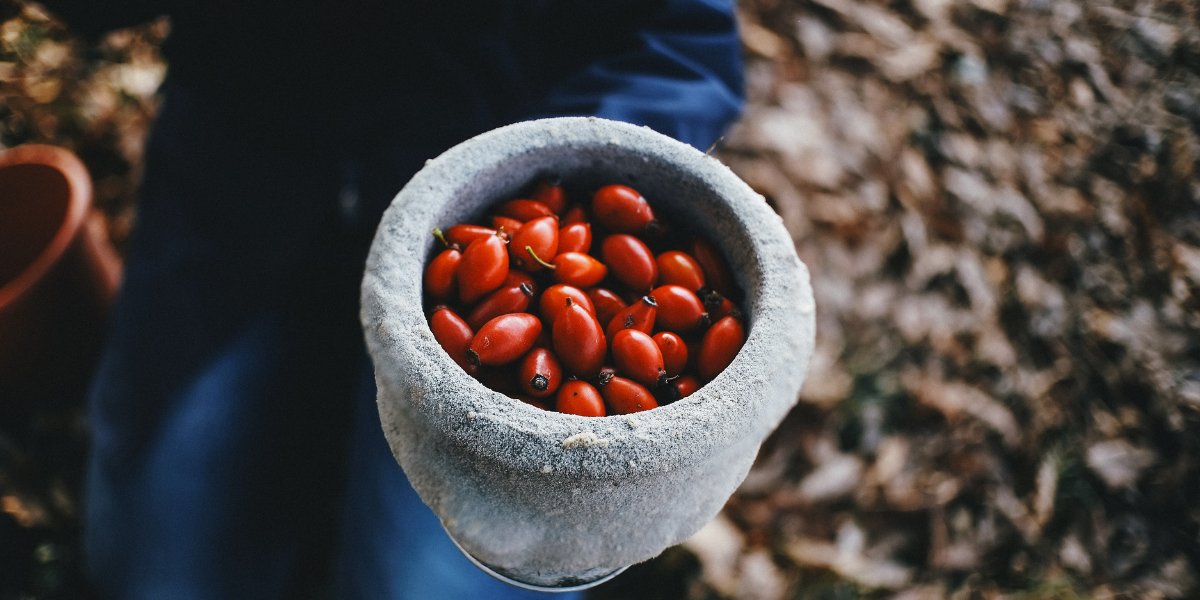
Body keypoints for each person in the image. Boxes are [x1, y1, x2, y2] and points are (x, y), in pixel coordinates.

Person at [38, 1, 744, 597]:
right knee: (156, 573)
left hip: (486, 215)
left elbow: (686, 42)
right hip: (247, 190)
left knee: (429, 581)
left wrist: (542, 187)